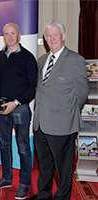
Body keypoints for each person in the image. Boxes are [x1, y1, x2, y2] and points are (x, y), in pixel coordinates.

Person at [27, 20, 89, 200]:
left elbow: (82, 92)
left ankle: (62, 196)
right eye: (48, 35)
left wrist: (68, 113)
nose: (52, 38)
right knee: (45, 164)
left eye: (55, 35)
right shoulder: (41, 60)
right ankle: (44, 194)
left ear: (63, 36)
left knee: (63, 166)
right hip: (40, 124)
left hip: (62, 124)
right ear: (45, 38)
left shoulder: (75, 60)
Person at [0, 23, 38, 199]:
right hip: (1, 109)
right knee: (4, 145)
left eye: (12, 33)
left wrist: (15, 103)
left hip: (20, 109)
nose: (9, 37)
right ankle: (6, 178)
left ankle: (24, 184)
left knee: (23, 148)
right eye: (6, 34)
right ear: (3, 36)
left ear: (19, 35)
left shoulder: (28, 57)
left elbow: (32, 87)